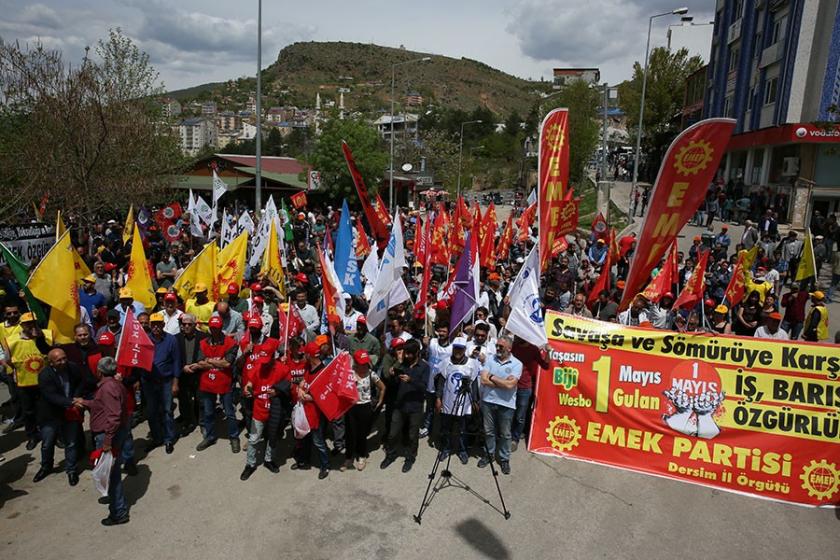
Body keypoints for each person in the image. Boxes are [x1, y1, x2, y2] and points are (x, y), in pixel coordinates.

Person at [84, 357, 130, 526]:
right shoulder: (114, 385)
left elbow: (114, 416)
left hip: (108, 434)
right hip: (112, 433)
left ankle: (118, 512)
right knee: (112, 472)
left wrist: (107, 441)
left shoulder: (109, 387)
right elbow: (103, 406)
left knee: (111, 474)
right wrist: (87, 403)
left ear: (99, 371)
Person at [240, 337, 290, 480]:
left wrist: (278, 391)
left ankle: (269, 460)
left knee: (272, 437)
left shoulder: (282, 369)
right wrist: (248, 389)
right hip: (259, 411)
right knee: (254, 438)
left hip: (275, 411)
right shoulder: (257, 367)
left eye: (267, 361)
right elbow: (249, 383)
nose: (264, 365)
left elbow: (289, 384)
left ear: (273, 356)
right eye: (262, 361)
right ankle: (250, 464)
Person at [35, 348, 87, 486]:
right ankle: (46, 466)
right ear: (51, 362)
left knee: (71, 443)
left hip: (70, 412)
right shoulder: (45, 375)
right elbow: (50, 395)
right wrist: (71, 402)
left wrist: (76, 396)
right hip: (51, 414)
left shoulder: (73, 368)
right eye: (59, 360)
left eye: (64, 358)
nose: (63, 362)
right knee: (47, 443)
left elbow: (81, 382)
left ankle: (71, 470)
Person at [380, 339, 429, 473]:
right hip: (399, 405)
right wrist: (392, 374)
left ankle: (410, 457)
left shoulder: (424, 367)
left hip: (415, 407)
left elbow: (424, 387)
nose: (407, 356)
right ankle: (391, 454)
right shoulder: (402, 365)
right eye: (405, 353)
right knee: (392, 434)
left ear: (417, 353)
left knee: (412, 436)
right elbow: (393, 384)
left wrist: (411, 380)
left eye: (410, 353)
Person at [7, 312, 53, 450]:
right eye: (27, 324)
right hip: (25, 382)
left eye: (33, 323)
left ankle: (53, 435)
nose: (31, 326)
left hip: (45, 381)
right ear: (22, 325)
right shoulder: (12, 340)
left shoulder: (47, 335)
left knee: (49, 409)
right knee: (29, 411)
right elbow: (8, 360)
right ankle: (32, 435)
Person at [195, 316, 240, 453]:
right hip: (207, 382)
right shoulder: (203, 343)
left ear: (221, 328)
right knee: (208, 412)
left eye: (217, 328)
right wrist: (216, 361)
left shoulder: (230, 343)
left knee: (230, 412)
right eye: (212, 328)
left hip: (225, 382)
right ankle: (210, 436)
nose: (214, 330)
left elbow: (227, 363)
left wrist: (209, 360)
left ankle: (234, 437)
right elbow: (200, 362)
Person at [478, 335, 522, 475]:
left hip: (506, 404)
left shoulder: (517, 364)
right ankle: (489, 454)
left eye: (501, 346)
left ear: (509, 348)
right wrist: (502, 381)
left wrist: (492, 377)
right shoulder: (490, 359)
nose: (497, 348)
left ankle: (504, 459)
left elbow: (510, 385)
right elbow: (483, 380)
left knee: (505, 433)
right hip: (488, 401)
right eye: (497, 345)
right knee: (488, 431)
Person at [435, 337, 480, 464]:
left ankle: (462, 450)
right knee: (446, 427)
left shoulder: (472, 364)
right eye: (456, 348)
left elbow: (474, 384)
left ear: (465, 349)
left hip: (465, 402)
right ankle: (446, 448)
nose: (458, 351)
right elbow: (441, 382)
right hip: (448, 401)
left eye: (460, 349)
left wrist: (475, 400)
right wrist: (438, 398)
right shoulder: (445, 362)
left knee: (462, 428)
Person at [145, 312, 182, 454]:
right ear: (150, 325)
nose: (156, 327)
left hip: (166, 381)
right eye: (153, 325)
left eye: (158, 324)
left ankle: (168, 439)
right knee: (152, 412)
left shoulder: (171, 340)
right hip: (149, 382)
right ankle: (156, 438)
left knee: (167, 411)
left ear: (163, 324)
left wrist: (175, 383)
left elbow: (176, 362)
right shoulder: (146, 340)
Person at [344, 349, 385, 471]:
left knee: (362, 434)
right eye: (361, 363)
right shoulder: (349, 373)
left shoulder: (371, 374)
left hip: (365, 407)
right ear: (356, 362)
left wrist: (380, 401)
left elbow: (382, 387)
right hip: (351, 407)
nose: (363, 366)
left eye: (365, 363)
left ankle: (362, 456)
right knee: (350, 434)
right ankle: (349, 457)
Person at [510, 336, 549, 451]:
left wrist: (548, 352)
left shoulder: (533, 349)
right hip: (510, 386)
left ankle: (514, 439)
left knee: (520, 416)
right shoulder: (513, 347)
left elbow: (545, 365)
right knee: (508, 413)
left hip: (525, 387)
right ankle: (506, 436)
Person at [175, 313, 205, 437]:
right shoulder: (176, 338)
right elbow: (174, 357)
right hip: (183, 373)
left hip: (198, 373)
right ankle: (187, 421)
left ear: (195, 325)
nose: (186, 326)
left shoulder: (203, 337)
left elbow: (207, 353)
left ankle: (201, 421)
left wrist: (198, 365)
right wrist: (183, 367)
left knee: (200, 399)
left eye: (189, 324)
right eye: (184, 324)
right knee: (184, 400)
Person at [421, 323, 451, 439]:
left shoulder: (452, 346)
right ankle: (427, 427)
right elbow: (423, 355)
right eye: (440, 331)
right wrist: (425, 346)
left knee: (442, 408)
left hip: (443, 383)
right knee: (429, 407)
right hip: (430, 381)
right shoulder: (432, 342)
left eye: (444, 331)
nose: (441, 334)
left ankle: (441, 430)